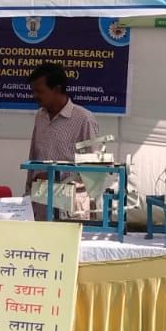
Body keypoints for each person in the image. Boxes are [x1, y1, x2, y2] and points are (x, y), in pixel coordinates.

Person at [26, 61, 99, 219]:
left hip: (72, 208)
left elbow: (96, 171)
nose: (35, 96)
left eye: (39, 91)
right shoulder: (40, 116)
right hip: (41, 205)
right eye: (33, 91)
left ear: (57, 89)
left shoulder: (84, 120)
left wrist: (56, 175)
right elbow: (33, 158)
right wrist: (28, 194)